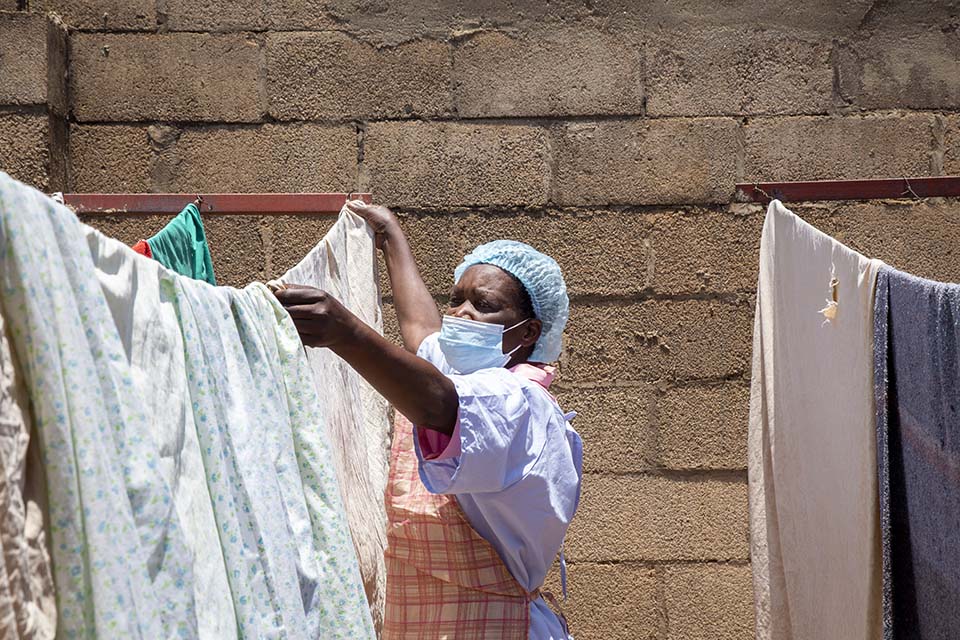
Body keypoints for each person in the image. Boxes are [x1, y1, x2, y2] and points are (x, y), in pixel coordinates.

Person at [275, 200, 583, 639]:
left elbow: (440, 404)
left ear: (529, 332)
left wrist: (346, 332)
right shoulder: (463, 371)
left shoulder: (520, 405)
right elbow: (422, 333)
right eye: (456, 300)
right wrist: (391, 237)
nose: (460, 314)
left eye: (484, 305)